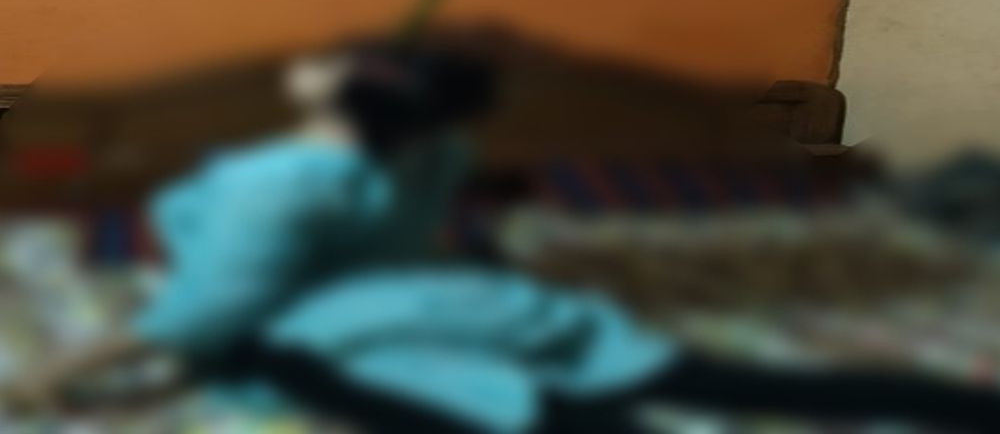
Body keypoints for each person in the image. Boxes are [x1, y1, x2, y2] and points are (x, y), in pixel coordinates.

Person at [5, 36, 1000, 434]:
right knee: (738, 389)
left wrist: (58, 373)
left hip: (385, 340)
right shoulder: (430, 152)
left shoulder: (275, 184)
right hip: (484, 312)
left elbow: (202, 312)